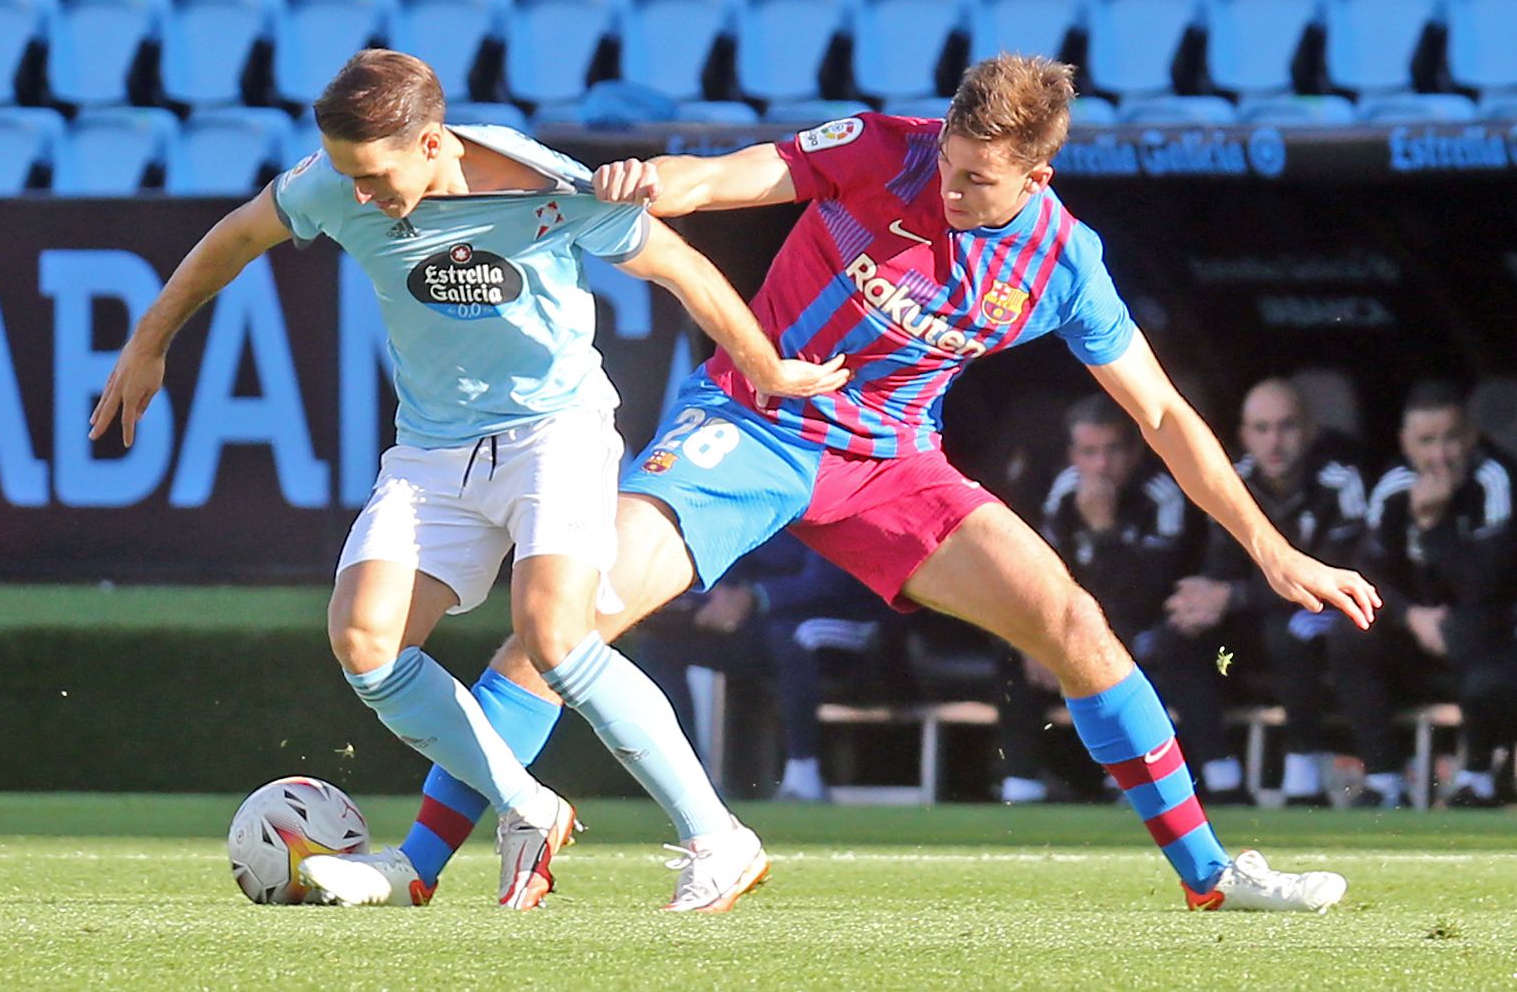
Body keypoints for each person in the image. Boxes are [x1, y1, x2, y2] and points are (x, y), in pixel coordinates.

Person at [323, 54, 1380, 913]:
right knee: (560, 627)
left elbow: (1158, 414)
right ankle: (414, 866)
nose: (951, 187)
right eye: (951, 163)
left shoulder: (1064, 263)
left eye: (978, 180)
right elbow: (722, 176)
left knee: (1073, 622)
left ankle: (1210, 878)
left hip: (890, 464)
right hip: (748, 423)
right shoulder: (885, 147)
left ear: (1037, 178)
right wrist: (652, 181)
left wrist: (1269, 548)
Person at [87, 50, 850, 911]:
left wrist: (766, 369)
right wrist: (148, 344)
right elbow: (233, 239)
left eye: (375, 177)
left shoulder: (549, 186)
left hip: (553, 434)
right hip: (433, 450)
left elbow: (679, 267)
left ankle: (720, 839)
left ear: (433, 142)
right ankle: (527, 806)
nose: (359, 198)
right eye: (346, 177)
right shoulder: (330, 184)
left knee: (553, 634)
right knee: (366, 642)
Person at [997, 394, 1244, 805]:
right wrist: (1037, 638)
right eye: (1089, 453)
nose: (1101, 466)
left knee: (1162, 645)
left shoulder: (1161, 493)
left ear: (1134, 450)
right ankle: (1020, 787)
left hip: (1151, 624)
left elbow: (1144, 592)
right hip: (1083, 626)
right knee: (1016, 647)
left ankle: (1220, 782)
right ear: (1072, 454)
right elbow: (1044, 578)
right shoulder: (1063, 493)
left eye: (1112, 451)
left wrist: (1104, 529)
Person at [1166, 378, 1369, 806]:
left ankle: (1304, 776)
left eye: (1286, 427)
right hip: (1247, 634)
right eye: (1261, 429)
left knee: (1290, 630)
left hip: (1319, 618)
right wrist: (1203, 601)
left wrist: (1233, 596)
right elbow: (1221, 569)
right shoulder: (1231, 483)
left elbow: (1339, 575)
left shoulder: (1340, 481)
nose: (1274, 442)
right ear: (1244, 436)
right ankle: (1221, 779)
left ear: (1311, 431)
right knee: (1174, 640)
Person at [630, 531, 901, 803]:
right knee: (661, 647)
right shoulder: (759, 504)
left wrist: (753, 596)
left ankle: (803, 777)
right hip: (769, 626)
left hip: (851, 623)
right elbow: (735, 572)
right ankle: (689, 778)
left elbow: (828, 584)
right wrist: (718, 598)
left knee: (793, 635)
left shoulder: (831, 502)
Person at [1353, 381, 1517, 808]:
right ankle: (1384, 780)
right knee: (1349, 633)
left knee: (1473, 630)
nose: (1440, 455)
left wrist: (1433, 526)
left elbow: (1487, 585)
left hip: (1487, 628)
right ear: (1406, 443)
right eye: (1426, 442)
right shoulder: (1394, 487)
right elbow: (1369, 574)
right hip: (1416, 627)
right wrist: (1411, 617)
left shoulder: (1493, 480)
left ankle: (1476, 778)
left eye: (1450, 439)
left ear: (1470, 437)